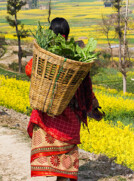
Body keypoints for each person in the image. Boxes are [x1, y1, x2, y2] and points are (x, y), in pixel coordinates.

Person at [25, 17, 103, 181]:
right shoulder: (75, 56)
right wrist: (93, 105)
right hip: (69, 113)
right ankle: (62, 177)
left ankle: (52, 171)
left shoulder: (46, 55)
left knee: (50, 144)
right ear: (67, 35)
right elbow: (85, 85)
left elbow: (29, 69)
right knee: (66, 151)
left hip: (48, 112)